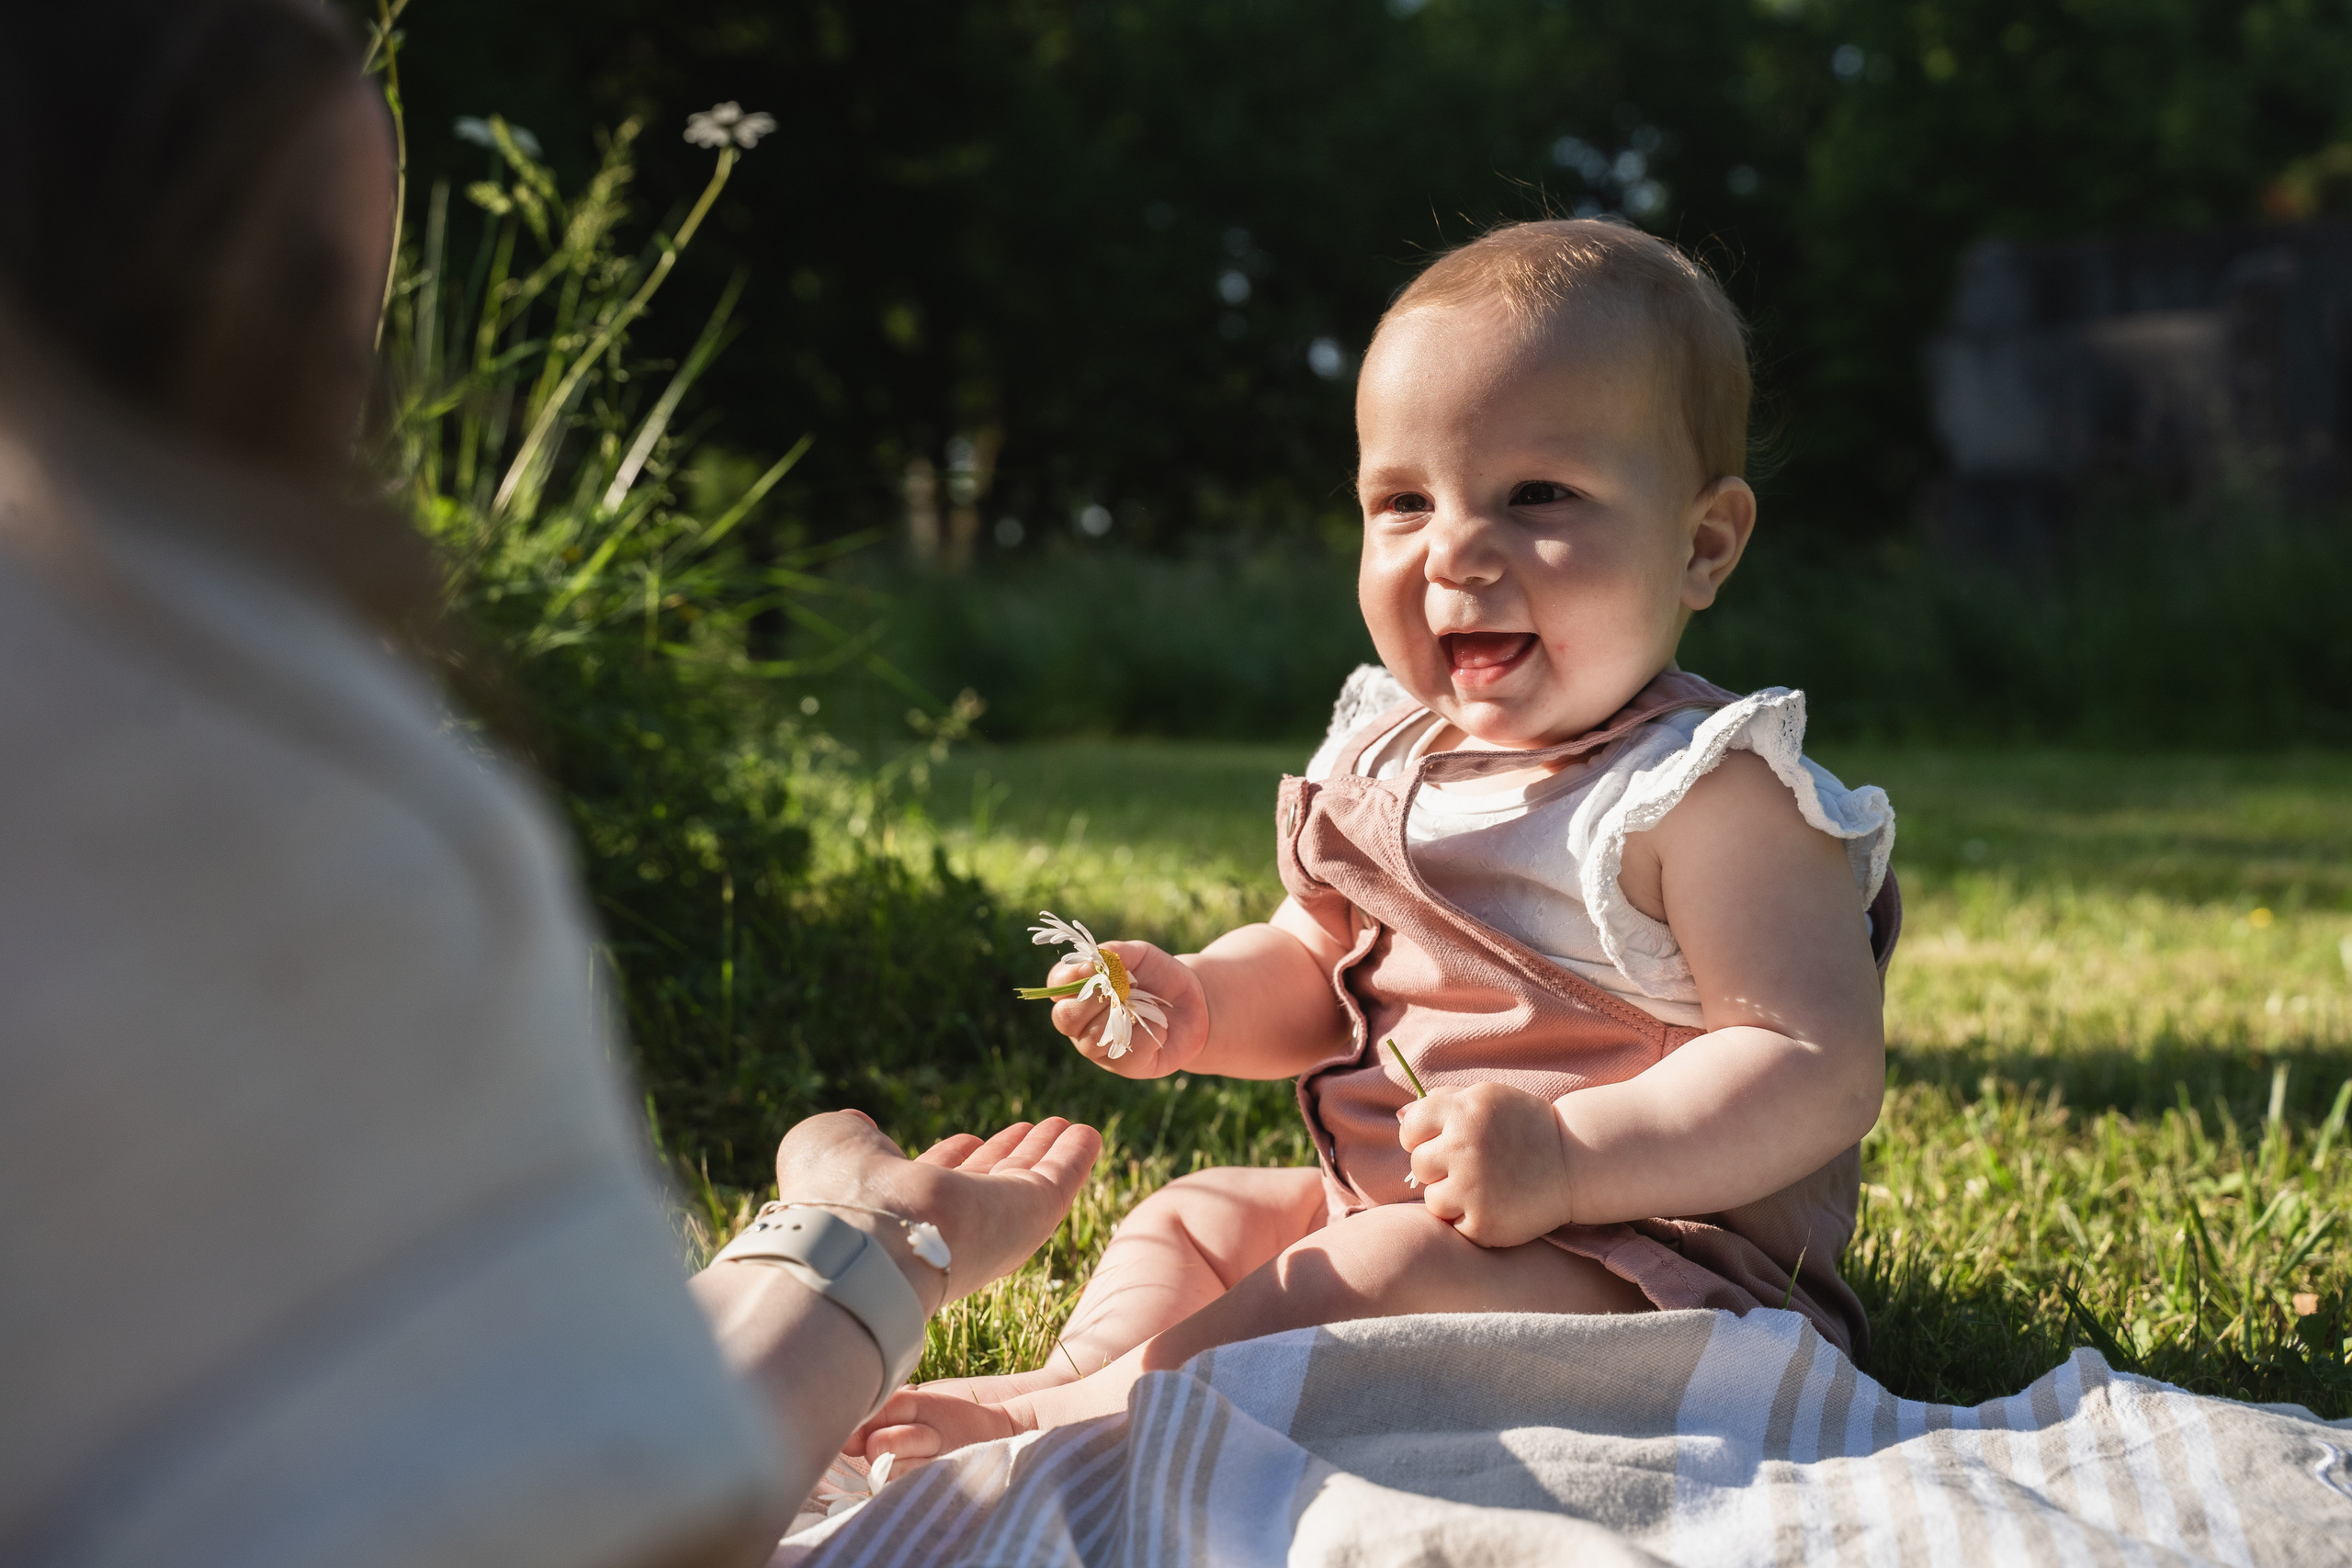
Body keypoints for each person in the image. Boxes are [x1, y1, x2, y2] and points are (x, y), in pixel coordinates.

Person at [0, 5, 1098, 1564]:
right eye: (341, 343)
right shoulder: (295, 799)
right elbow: (623, 1506)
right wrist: (886, 1262)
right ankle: (867, 1233)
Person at [856, 219, 1902, 1464]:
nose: (1455, 549)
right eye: (1403, 501)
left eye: (1539, 497)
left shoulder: (1708, 792)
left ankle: (1083, 1424)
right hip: (1416, 1218)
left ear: (1702, 543)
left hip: (1653, 1274)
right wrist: (1195, 1004)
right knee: (1198, 1218)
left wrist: (1567, 1158)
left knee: (1373, 1264)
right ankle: (1081, 1375)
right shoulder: (1389, 751)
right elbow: (1319, 961)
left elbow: (1811, 1062)